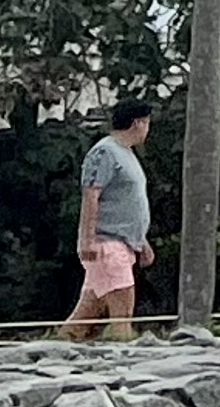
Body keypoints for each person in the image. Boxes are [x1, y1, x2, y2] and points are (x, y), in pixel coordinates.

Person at [62, 99, 157, 342]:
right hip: (107, 244)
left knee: (86, 314)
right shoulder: (105, 152)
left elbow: (127, 203)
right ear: (138, 123)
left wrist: (141, 240)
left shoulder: (127, 155)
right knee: (122, 306)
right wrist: (87, 240)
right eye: (147, 123)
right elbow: (91, 195)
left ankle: (57, 346)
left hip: (124, 243)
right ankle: (124, 349)